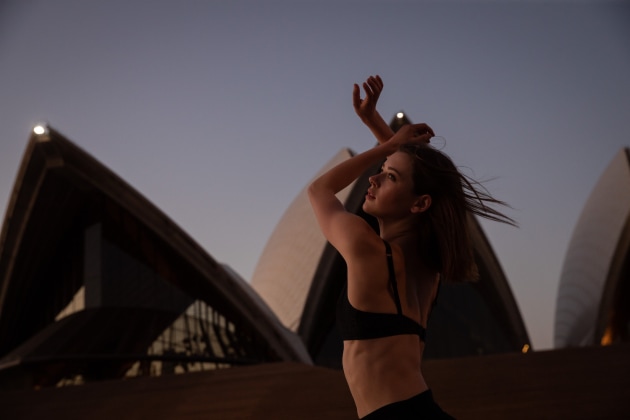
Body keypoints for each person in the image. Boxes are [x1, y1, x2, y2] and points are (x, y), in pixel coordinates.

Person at [308, 75, 516, 419]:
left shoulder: (367, 249)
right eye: (381, 171)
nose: (373, 178)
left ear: (419, 205)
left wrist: (387, 148)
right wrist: (374, 122)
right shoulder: (426, 269)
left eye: (387, 177)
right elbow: (413, 174)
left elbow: (319, 191)